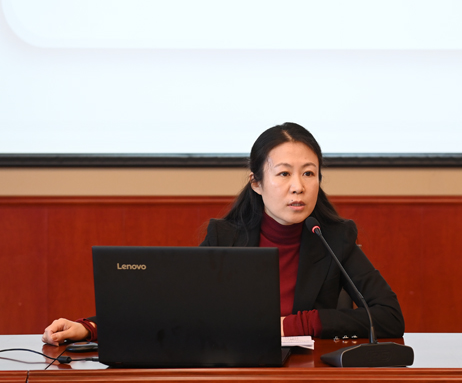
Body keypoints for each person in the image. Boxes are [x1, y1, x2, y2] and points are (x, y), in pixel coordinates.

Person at [42, 122, 404, 345]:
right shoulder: (225, 238)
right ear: (256, 182)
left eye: (309, 173)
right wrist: (90, 328)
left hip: (305, 375)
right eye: (284, 174)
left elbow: (389, 316)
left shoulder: (334, 238)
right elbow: (169, 307)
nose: (298, 186)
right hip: (237, 372)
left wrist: (295, 325)